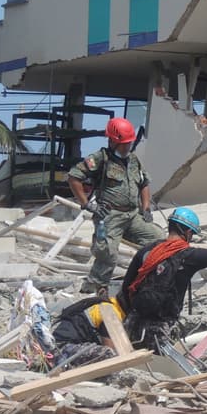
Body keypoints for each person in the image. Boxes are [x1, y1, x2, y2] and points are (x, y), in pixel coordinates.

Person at [50, 206, 207, 351]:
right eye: (191, 234)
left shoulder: (148, 251)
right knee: (159, 357)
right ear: (187, 232)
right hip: (161, 325)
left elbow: (128, 286)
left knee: (135, 352)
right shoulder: (188, 255)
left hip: (134, 319)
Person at [68, 118, 164, 293]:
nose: (127, 147)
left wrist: (146, 208)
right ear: (112, 141)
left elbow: (144, 183)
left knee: (157, 238)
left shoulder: (134, 160)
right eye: (123, 144)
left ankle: (144, 279)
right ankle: (95, 287)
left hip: (133, 215)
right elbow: (74, 177)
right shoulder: (100, 159)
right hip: (109, 215)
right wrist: (87, 205)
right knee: (108, 253)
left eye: (129, 143)